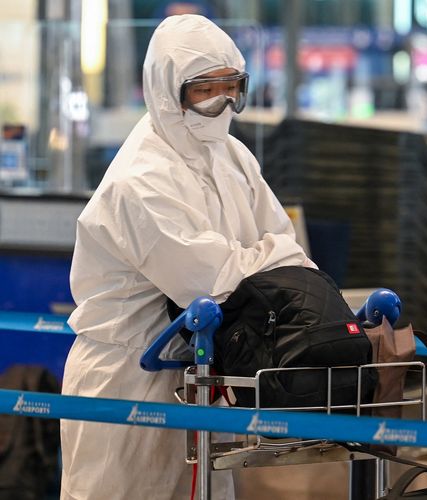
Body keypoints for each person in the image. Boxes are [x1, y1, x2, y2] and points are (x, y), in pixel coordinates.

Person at [60, 15, 313, 500]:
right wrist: (265, 256)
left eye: (231, 86)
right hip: (131, 380)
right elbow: (210, 282)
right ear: (165, 91)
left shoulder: (234, 157)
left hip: (201, 375)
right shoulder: (141, 177)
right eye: (205, 89)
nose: (222, 103)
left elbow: (294, 256)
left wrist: (258, 258)